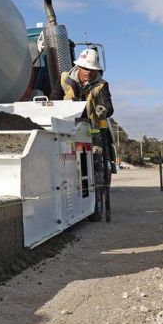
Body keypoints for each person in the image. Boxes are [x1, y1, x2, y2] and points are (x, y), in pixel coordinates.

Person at [61, 48, 115, 221]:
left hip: (92, 130)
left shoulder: (101, 85)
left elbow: (109, 107)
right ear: (78, 67)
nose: (89, 73)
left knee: (96, 168)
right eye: (86, 69)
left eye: (92, 70)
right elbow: (54, 97)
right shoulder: (65, 80)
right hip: (68, 129)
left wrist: (103, 110)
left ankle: (96, 205)